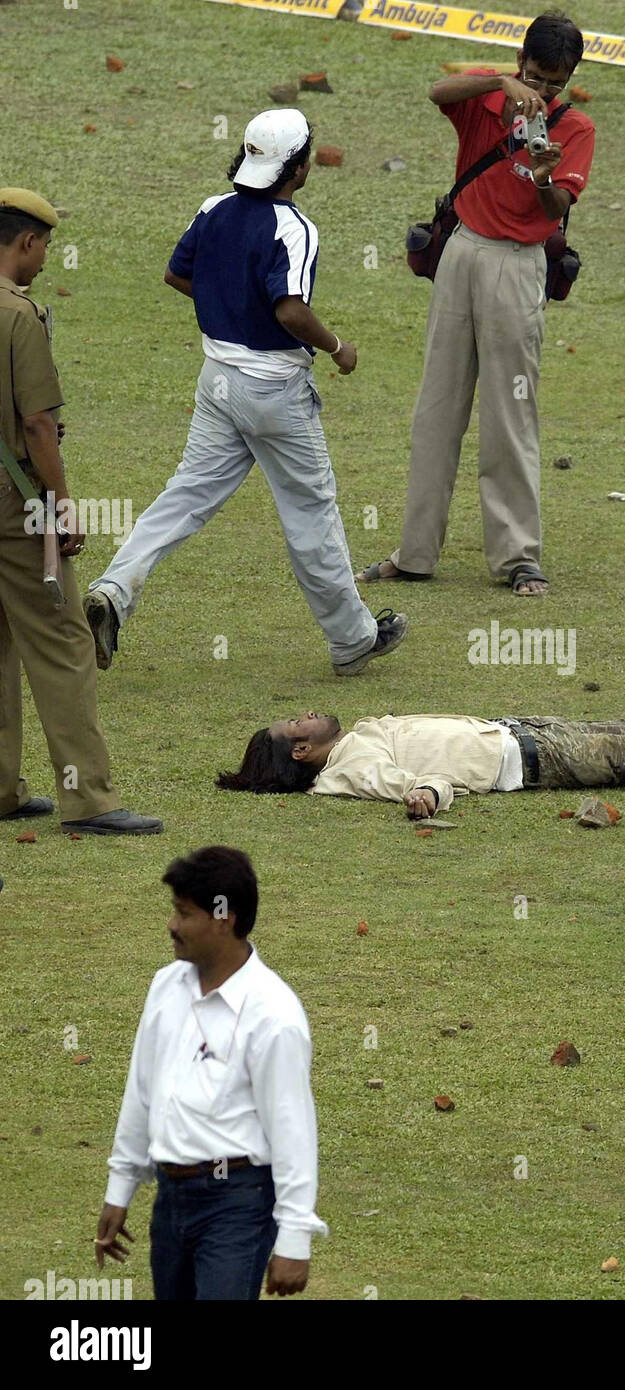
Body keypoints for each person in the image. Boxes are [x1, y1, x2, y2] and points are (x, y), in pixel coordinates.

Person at [84, 110, 406, 677]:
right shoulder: (294, 227)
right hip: (274, 389)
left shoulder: (213, 209)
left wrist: (224, 305)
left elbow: (177, 274)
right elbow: (290, 309)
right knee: (310, 513)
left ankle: (114, 589)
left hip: (217, 382)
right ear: (299, 169)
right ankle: (353, 639)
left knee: (183, 496)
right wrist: (337, 347)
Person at [357, 10, 595, 597]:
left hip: (518, 266)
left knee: (509, 415)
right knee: (435, 409)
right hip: (461, 252)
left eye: (555, 82)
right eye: (536, 77)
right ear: (521, 63)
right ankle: (414, 553)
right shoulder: (489, 97)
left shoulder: (576, 130)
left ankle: (518, 558)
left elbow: (552, 209)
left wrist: (542, 177)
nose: (543, 93)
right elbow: (437, 91)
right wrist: (497, 84)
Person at [95, 847, 326, 1300]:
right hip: (171, 1198)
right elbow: (142, 1092)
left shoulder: (272, 1015)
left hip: (236, 1205)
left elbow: (293, 1129)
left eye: (184, 913)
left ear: (224, 917)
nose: (172, 925)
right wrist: (120, 1188)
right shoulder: (166, 986)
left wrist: (295, 1238)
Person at [0, 188, 161, 836]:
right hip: (15, 506)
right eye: (44, 248)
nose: (43, 261)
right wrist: (63, 506)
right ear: (26, 242)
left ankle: (3, 790)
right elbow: (38, 422)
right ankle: (89, 799)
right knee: (65, 639)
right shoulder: (19, 316)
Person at [215, 701, 625, 809]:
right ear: (300, 747)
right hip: (534, 757)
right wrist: (425, 796)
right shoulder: (351, 767)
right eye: (299, 720)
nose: (309, 712)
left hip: (520, 733)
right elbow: (422, 781)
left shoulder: (346, 749)